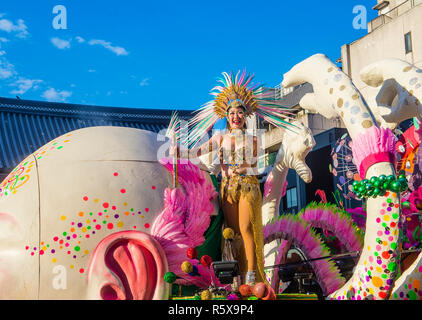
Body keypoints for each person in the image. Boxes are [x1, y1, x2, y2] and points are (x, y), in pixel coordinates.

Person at [172, 71, 295, 286]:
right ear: (226, 116)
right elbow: (197, 152)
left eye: (240, 112)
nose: (236, 116)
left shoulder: (253, 139)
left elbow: (255, 165)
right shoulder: (219, 138)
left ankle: (251, 275)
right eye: (232, 113)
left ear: (245, 115)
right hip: (227, 189)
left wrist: (242, 168)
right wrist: (179, 152)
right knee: (233, 234)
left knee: (247, 229)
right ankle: (237, 279)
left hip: (247, 186)